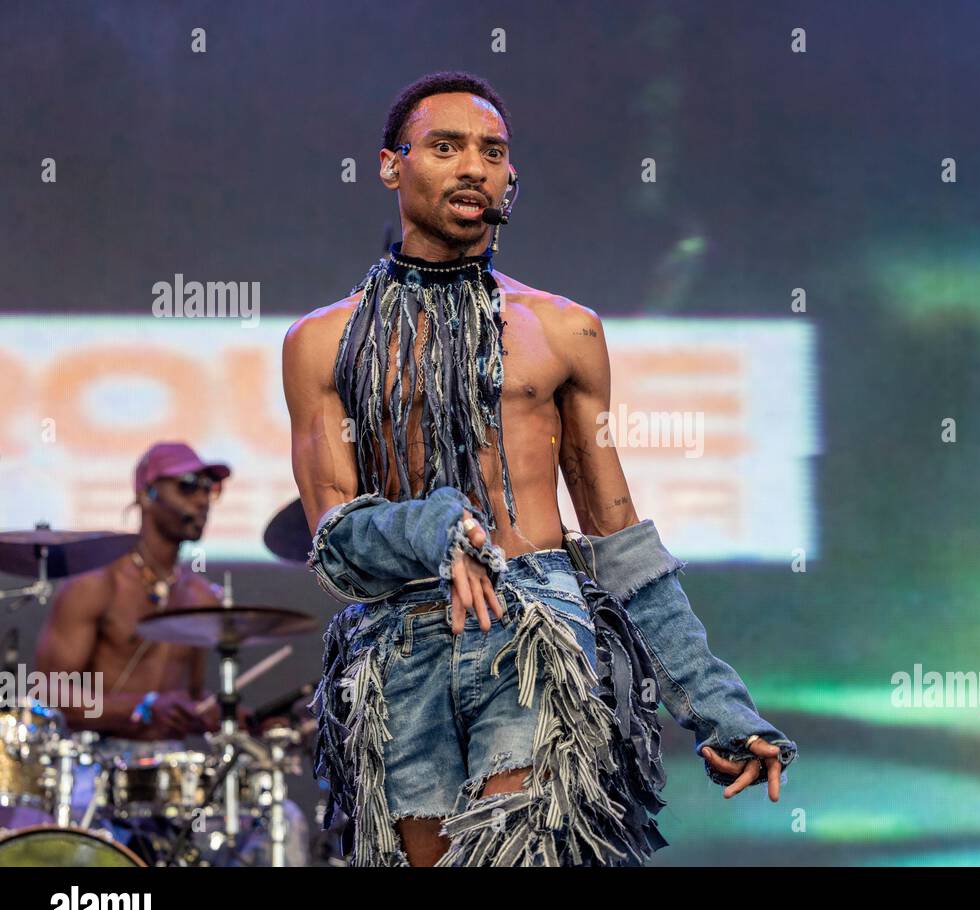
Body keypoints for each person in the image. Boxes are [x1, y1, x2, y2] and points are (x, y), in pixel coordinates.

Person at [283, 71, 797, 867]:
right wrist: (433, 528)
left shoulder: (564, 331)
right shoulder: (322, 342)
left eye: (492, 152)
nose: (473, 167)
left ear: (510, 179)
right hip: (398, 648)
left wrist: (717, 705)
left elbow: (619, 534)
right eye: (446, 147)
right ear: (392, 166)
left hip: (533, 634)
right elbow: (332, 537)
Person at [34, 441, 307, 865]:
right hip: (101, 763)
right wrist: (142, 708)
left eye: (209, 490)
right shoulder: (96, 584)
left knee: (281, 819)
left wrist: (221, 716)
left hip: (177, 777)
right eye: (188, 485)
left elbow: (191, 699)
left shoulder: (200, 595)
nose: (202, 499)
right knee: (80, 843)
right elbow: (51, 694)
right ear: (147, 493)